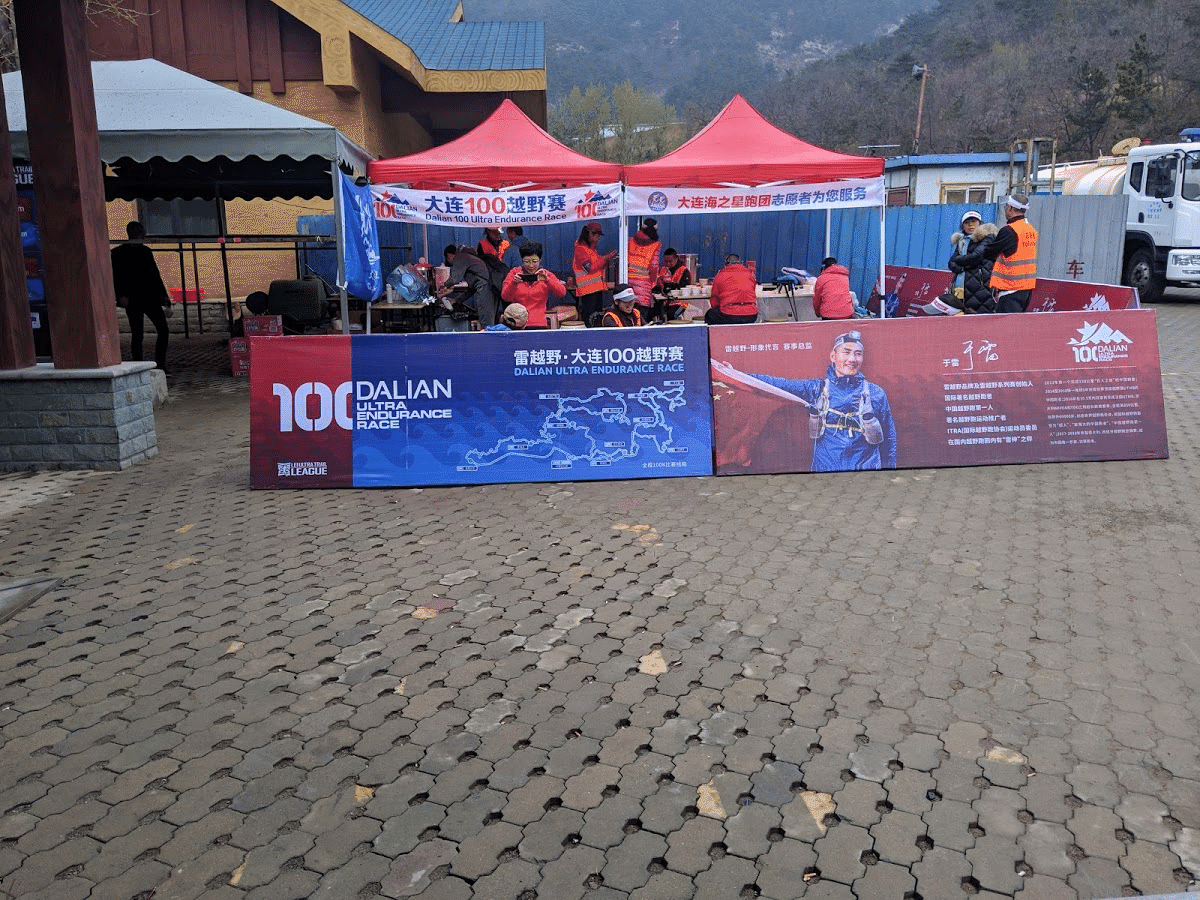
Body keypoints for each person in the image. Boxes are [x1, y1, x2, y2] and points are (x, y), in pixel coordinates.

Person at [752, 330, 897, 472]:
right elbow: (779, 384)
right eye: (846, 352)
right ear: (833, 356)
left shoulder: (875, 393)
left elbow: (889, 438)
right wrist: (739, 376)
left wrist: (889, 472)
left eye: (858, 354)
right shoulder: (816, 389)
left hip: (865, 472)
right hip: (827, 472)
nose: (852, 359)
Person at [111, 221, 172, 371]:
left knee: (138, 333)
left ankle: (140, 365)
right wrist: (165, 299)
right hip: (147, 298)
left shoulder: (118, 253)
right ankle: (159, 364)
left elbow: (115, 277)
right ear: (141, 234)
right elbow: (155, 276)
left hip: (135, 299)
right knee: (158, 331)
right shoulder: (144, 252)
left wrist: (120, 296)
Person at [980, 193, 1038, 313]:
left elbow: (989, 253)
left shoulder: (1010, 230)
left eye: (1006, 206)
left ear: (1010, 208)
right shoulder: (1030, 229)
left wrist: (987, 239)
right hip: (1026, 288)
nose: (1005, 210)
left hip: (1010, 288)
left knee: (1006, 324)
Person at [501, 242, 578, 327]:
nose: (531, 265)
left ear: (540, 260)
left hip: (539, 322)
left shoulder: (545, 274)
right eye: (527, 262)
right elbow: (505, 297)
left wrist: (548, 281)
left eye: (534, 261)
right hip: (517, 324)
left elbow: (562, 293)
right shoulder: (514, 273)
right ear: (522, 260)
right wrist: (513, 283)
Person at [946, 211, 999, 313]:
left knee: (980, 317)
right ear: (962, 226)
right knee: (960, 315)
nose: (970, 225)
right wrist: (963, 267)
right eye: (967, 223)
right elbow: (951, 263)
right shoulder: (962, 240)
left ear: (980, 223)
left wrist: (959, 259)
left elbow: (976, 257)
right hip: (960, 286)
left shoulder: (988, 238)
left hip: (980, 287)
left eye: (974, 221)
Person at [573, 222, 617, 327]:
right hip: (588, 290)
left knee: (596, 317)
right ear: (590, 234)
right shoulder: (581, 249)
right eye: (597, 234)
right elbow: (590, 268)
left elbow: (597, 266)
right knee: (590, 318)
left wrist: (606, 259)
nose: (598, 238)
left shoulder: (591, 249)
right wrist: (605, 258)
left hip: (595, 289)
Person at [440, 244, 496, 325]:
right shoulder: (467, 258)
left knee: (485, 317)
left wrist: (443, 286)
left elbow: (454, 279)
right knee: (486, 315)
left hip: (485, 287)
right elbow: (471, 289)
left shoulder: (459, 258)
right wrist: (455, 300)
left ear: (449, 256)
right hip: (487, 287)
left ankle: (487, 332)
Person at [704, 253, 758, 325]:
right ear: (740, 263)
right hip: (751, 314)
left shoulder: (720, 276)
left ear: (726, 264)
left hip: (729, 314)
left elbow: (714, 300)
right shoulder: (750, 275)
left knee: (709, 315)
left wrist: (720, 307)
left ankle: (719, 332)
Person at [627, 217, 661, 317]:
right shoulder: (656, 245)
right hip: (644, 286)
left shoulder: (630, 241)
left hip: (628, 285)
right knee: (641, 318)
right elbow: (654, 267)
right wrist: (654, 282)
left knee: (628, 318)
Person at [654, 247, 691, 321]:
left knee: (672, 314)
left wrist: (671, 286)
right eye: (666, 261)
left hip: (679, 302)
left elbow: (685, 287)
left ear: (676, 259)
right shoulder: (662, 270)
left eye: (670, 261)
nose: (668, 264)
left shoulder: (684, 271)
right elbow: (657, 285)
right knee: (654, 311)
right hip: (664, 301)